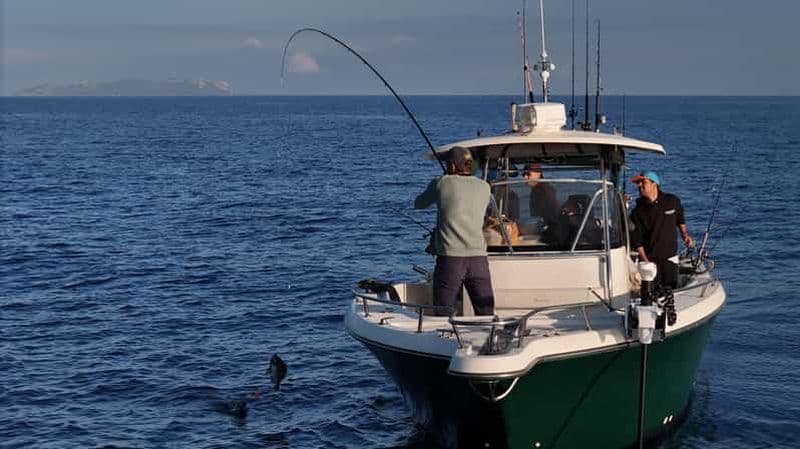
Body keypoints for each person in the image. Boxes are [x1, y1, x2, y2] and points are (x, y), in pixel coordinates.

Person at [414, 146, 495, 316]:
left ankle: (446, 341)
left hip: (451, 260)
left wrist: (444, 178)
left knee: (442, 312)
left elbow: (419, 204)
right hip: (479, 259)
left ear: (451, 166)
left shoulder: (442, 183)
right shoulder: (485, 187)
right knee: (486, 312)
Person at [629, 170, 694, 289]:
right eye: (638, 183)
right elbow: (637, 241)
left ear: (654, 185)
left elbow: (680, 218)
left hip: (671, 259)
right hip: (651, 263)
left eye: (643, 182)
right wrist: (647, 262)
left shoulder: (672, 201)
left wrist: (685, 235)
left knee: (671, 291)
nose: (639, 186)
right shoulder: (637, 212)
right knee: (652, 295)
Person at [523, 163, 560, 243]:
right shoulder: (535, 190)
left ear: (538, 174)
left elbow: (553, 216)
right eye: (523, 174)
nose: (525, 177)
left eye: (528, 174)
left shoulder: (546, 191)